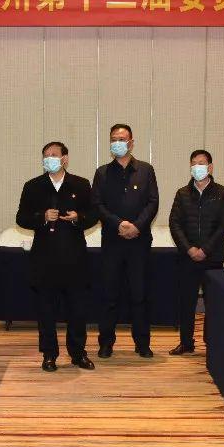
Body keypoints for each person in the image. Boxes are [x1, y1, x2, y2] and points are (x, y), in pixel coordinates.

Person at [15, 141, 99, 371]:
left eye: (54, 154)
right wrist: (41, 217)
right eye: (46, 155)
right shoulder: (33, 186)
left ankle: (78, 353)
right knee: (46, 311)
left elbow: (94, 214)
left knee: (77, 310)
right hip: (44, 259)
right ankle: (49, 354)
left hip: (74, 258)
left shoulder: (81, 184)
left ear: (65, 159)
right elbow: (21, 218)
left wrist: (78, 217)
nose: (49, 158)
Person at [92, 123, 159, 359]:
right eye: (114, 139)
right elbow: (97, 204)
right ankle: (106, 343)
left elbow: (153, 202)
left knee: (139, 295)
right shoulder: (102, 173)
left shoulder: (146, 170)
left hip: (139, 242)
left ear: (131, 143)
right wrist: (118, 224)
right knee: (109, 295)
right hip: (112, 241)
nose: (117, 143)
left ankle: (142, 343)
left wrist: (137, 226)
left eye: (122, 139)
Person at [168, 149, 224, 355]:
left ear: (210, 167)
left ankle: (211, 343)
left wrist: (205, 249)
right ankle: (186, 342)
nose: (197, 167)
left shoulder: (222, 193)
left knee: (212, 303)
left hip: (212, 258)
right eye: (194, 163)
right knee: (186, 302)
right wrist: (189, 249)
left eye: (201, 163)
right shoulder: (182, 194)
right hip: (187, 258)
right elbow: (175, 224)